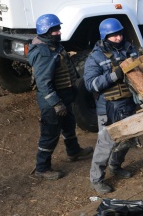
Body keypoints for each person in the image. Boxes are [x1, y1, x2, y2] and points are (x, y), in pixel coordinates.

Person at [27, 14, 93, 180]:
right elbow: (43, 83)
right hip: (52, 102)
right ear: (47, 31)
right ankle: (42, 168)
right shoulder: (43, 52)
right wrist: (56, 103)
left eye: (58, 28)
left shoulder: (54, 46)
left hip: (64, 96)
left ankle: (74, 151)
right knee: (49, 134)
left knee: (69, 125)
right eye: (55, 29)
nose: (59, 32)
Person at [84, 18, 139, 194]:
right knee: (105, 143)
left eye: (120, 34)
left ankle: (116, 166)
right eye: (113, 35)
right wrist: (114, 76)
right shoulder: (96, 57)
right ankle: (96, 179)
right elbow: (91, 84)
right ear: (105, 36)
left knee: (127, 139)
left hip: (128, 104)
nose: (118, 38)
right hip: (108, 107)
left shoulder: (128, 49)